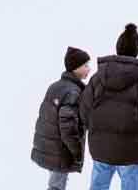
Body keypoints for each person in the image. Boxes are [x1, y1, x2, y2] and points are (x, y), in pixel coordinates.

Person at [79, 24, 138, 188]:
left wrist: (97, 131)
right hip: (130, 153)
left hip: (101, 149)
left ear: (118, 48)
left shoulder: (97, 79)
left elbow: (84, 110)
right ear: (136, 51)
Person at [31, 47, 94, 189]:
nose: (89, 69)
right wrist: (77, 151)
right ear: (75, 68)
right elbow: (68, 127)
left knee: (56, 183)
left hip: (52, 146)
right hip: (61, 149)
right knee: (56, 185)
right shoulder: (73, 92)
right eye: (85, 65)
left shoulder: (55, 86)